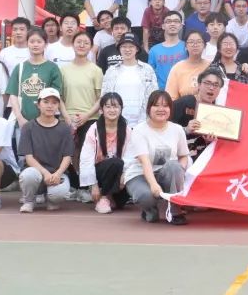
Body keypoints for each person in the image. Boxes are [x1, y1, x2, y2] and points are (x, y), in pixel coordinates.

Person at [123, 90, 190, 224]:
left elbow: (183, 156)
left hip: (165, 173)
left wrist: (179, 173)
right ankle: (150, 209)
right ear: (149, 108)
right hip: (140, 174)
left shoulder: (177, 129)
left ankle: (175, 211)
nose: (161, 109)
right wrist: (154, 185)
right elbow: (145, 162)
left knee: (174, 165)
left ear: (170, 109)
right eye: (156, 105)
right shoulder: (139, 130)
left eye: (165, 106)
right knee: (146, 196)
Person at [18, 88, 73, 213]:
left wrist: (58, 173)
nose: (50, 106)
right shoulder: (28, 127)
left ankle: (51, 200)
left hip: (57, 174)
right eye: (46, 102)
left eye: (54, 102)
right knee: (28, 175)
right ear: (38, 104)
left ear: (58, 106)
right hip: (36, 172)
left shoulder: (64, 128)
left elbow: (67, 156)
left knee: (59, 194)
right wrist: (45, 173)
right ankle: (29, 201)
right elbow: (29, 158)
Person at [78, 92, 132, 214]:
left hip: (120, 175)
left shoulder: (127, 130)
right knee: (115, 162)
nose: (112, 110)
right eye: (108, 106)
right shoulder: (94, 129)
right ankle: (104, 197)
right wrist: (93, 185)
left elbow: (131, 157)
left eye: (115, 106)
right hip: (100, 173)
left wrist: (125, 174)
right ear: (101, 110)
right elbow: (86, 159)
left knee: (120, 203)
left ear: (121, 109)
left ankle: (109, 197)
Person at [7, 29, 65, 132]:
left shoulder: (52, 68)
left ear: (45, 44)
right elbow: (13, 95)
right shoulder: (20, 67)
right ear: (27, 43)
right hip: (23, 122)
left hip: (48, 123)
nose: (35, 45)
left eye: (39, 41)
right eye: (32, 41)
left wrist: (66, 116)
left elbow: (56, 96)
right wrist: (20, 118)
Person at [101, 34, 158, 127]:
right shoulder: (112, 70)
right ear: (119, 49)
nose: (127, 50)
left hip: (143, 122)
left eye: (131, 46)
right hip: (116, 121)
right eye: (124, 46)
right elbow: (105, 96)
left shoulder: (147, 69)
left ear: (137, 49)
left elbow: (153, 95)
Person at [173, 69, 224, 159]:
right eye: (207, 83)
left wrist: (209, 141)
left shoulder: (219, 111)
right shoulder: (183, 103)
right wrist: (186, 130)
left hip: (205, 158)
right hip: (181, 155)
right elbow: (166, 129)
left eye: (216, 85)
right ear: (199, 85)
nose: (211, 88)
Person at [62, 32, 103, 135]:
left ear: (91, 47)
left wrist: (87, 115)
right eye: (78, 42)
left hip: (90, 119)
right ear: (72, 45)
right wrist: (67, 117)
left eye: (86, 43)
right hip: (67, 119)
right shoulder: (63, 70)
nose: (82, 45)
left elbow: (100, 98)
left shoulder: (96, 70)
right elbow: (59, 97)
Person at [147, 11, 187, 90]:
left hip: (183, 91)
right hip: (161, 93)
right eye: (168, 21)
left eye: (176, 21)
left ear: (181, 26)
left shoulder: (187, 47)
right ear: (163, 26)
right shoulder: (154, 50)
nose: (172, 24)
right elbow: (150, 75)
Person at [165, 30, 211, 98]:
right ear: (186, 46)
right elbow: (171, 97)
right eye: (191, 42)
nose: (195, 45)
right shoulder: (177, 68)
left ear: (205, 46)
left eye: (199, 42)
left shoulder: (210, 66)